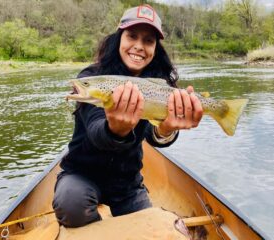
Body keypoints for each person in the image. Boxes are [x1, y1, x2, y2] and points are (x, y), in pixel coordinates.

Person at [52, 4, 203, 228]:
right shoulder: (92, 77)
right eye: (132, 36)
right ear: (119, 38)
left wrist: (167, 129)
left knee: (152, 229)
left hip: (127, 184)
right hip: (82, 174)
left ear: (155, 48)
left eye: (148, 40)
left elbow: (154, 135)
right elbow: (95, 130)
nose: (139, 46)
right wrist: (116, 130)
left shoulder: (160, 85)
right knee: (70, 203)